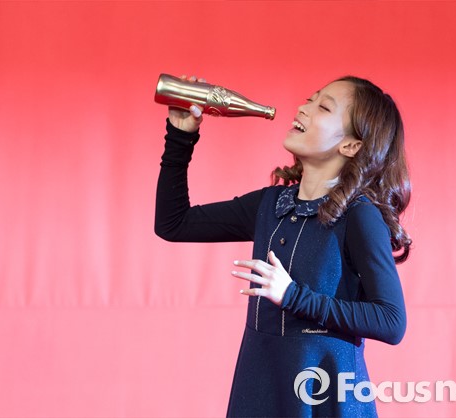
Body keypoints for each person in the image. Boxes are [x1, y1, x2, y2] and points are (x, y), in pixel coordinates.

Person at [155, 75, 411, 417]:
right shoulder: (270, 205)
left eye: (323, 107)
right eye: (310, 99)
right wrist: (180, 135)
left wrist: (293, 296)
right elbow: (173, 224)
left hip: (323, 394)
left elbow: (391, 321)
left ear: (351, 146)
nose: (304, 108)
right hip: (259, 385)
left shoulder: (360, 215)